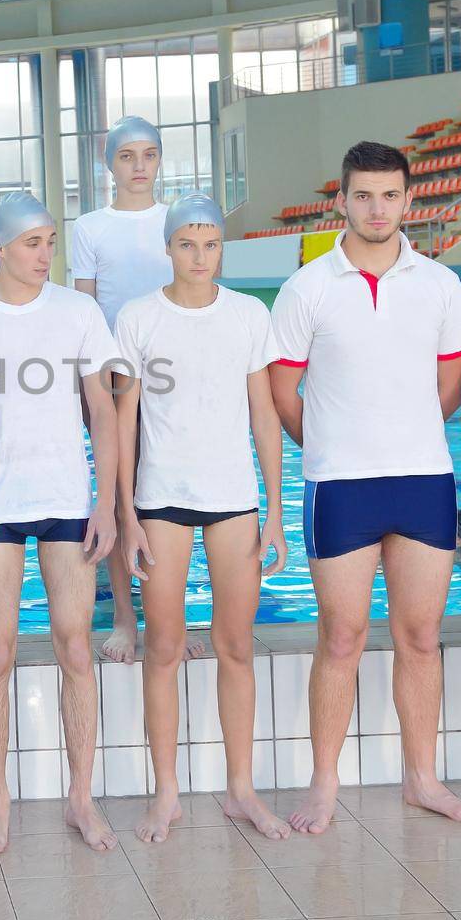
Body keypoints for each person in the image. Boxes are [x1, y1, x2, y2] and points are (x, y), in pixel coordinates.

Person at [270, 140, 461, 834]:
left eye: (389, 195)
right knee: (341, 636)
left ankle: (422, 778)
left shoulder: (440, 285)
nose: (376, 208)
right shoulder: (308, 287)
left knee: (421, 636)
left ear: (409, 201)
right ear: (341, 200)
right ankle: (324, 782)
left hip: (423, 479)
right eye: (363, 195)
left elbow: (451, 386)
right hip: (340, 485)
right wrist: (336, 443)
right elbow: (282, 391)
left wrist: (406, 432)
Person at [113, 193, 289, 844]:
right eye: (187, 244)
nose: (199, 257)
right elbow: (125, 420)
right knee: (163, 649)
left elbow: (265, 416)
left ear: (223, 248)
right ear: (167, 247)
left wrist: (274, 512)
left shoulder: (247, 316)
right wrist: (127, 514)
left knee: (236, 646)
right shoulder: (138, 318)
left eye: (210, 244)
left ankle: (241, 789)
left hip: (234, 498)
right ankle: (167, 795)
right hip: (161, 497)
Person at [0, 191, 120, 855]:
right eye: (31, 243)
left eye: (51, 240)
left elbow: (102, 411)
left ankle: (82, 797)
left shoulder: (79, 313)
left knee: (75, 646)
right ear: (0, 247)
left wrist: (106, 502)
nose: (44, 254)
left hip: (64, 499)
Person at [69, 116, 182, 666]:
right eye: (127, 157)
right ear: (108, 163)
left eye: (150, 155)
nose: (140, 167)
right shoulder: (90, 227)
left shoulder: (177, 220)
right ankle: (123, 615)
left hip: (175, 376)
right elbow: (84, 308)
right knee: (119, 493)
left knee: (175, 496)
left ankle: (170, 618)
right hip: (116, 379)